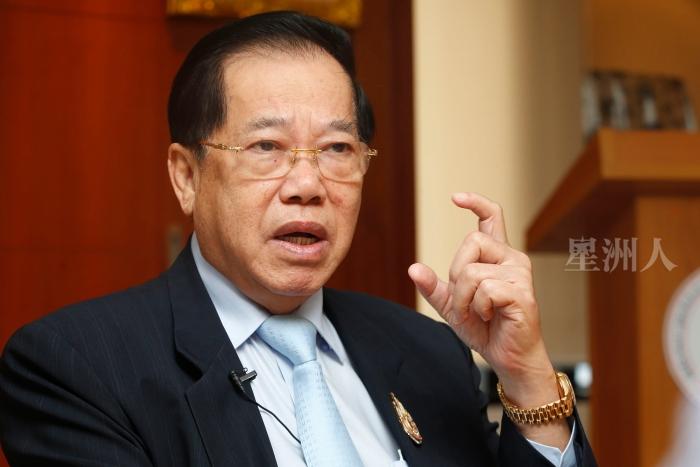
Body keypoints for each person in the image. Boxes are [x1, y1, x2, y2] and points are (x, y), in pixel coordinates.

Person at [0, 11, 597, 467]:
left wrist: (527, 376)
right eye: (267, 147)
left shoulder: (428, 352)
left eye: (337, 148)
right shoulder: (77, 367)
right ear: (186, 176)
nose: (308, 185)